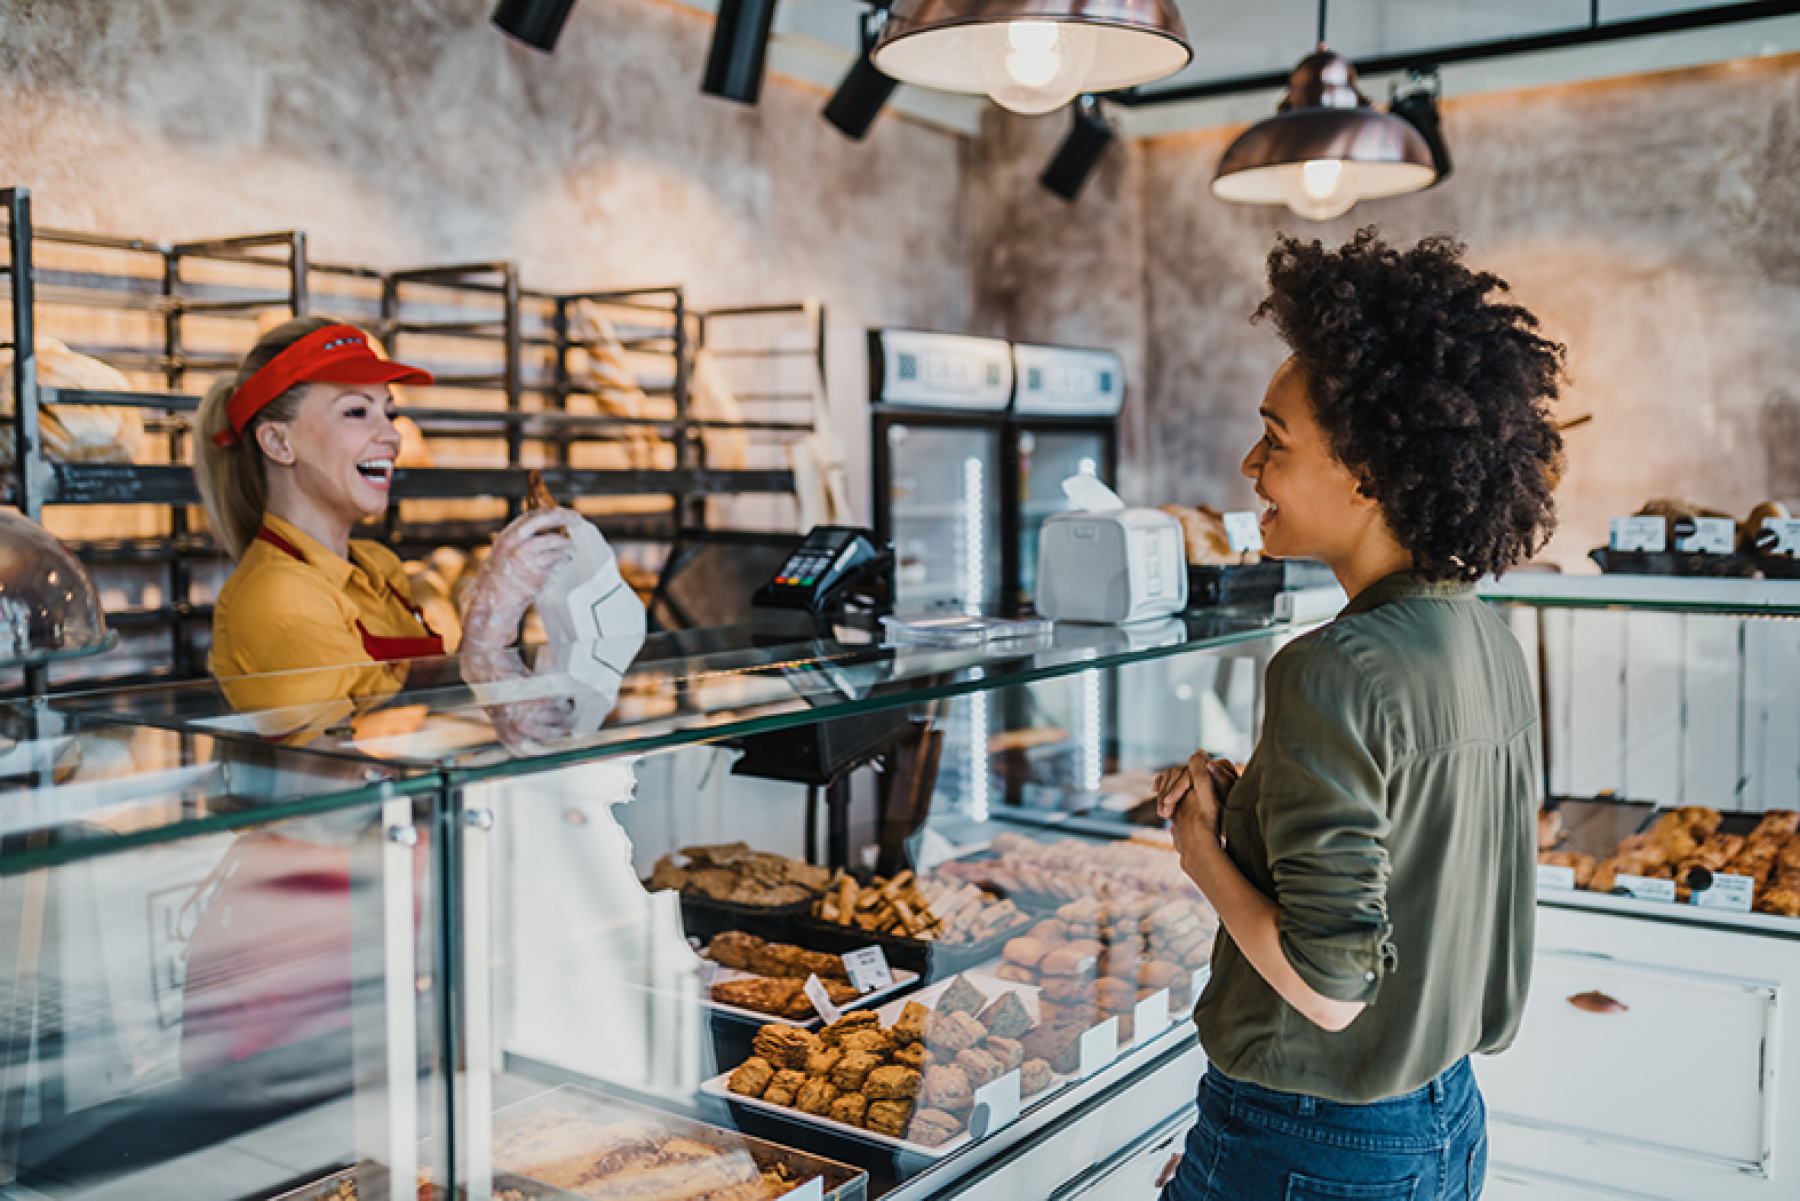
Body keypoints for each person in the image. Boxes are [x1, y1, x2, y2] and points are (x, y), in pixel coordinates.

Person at [1155, 230, 1564, 1201]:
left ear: (1371, 469)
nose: (1250, 465)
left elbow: (1328, 986)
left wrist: (1200, 849)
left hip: (1310, 1137)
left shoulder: (1328, 669)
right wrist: (1254, 805)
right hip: (1443, 1118)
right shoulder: (1485, 636)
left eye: (1277, 438)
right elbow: (1411, 853)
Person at [194, 316, 573, 715]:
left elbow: (433, 705)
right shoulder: (280, 600)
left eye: (388, 413)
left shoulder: (378, 569)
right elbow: (336, 765)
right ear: (277, 442)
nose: (392, 437)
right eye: (357, 412)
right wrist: (484, 632)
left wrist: (493, 614)